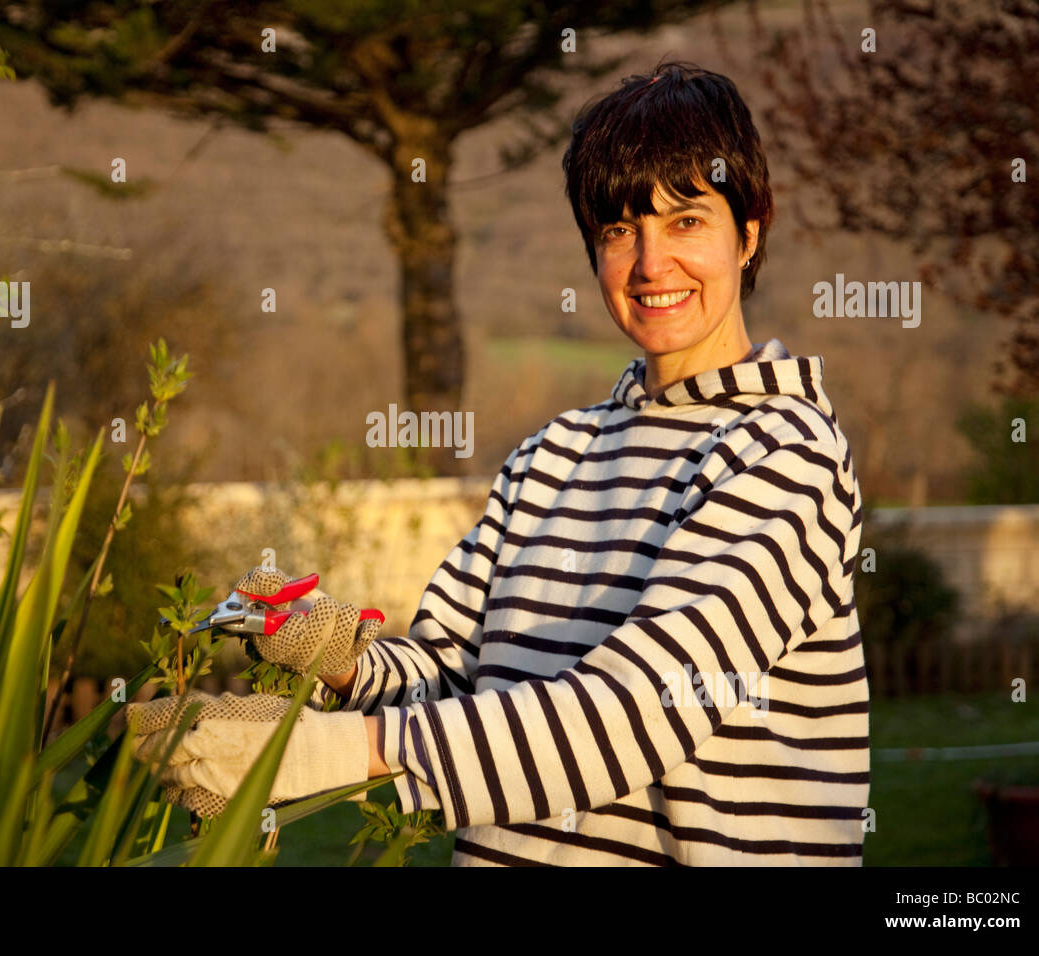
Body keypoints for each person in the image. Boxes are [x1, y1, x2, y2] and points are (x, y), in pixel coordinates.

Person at [129, 61, 869, 866]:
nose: (651, 264)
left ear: (750, 230)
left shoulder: (785, 456)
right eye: (620, 230)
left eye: (686, 220)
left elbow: (636, 712)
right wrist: (340, 659)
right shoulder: (552, 457)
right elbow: (459, 683)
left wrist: (316, 753)